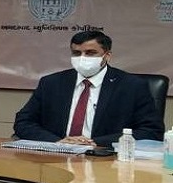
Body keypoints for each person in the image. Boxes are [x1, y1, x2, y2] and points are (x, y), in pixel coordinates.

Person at [14, 31, 164, 147]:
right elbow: (24, 122)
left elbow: (151, 131)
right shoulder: (51, 83)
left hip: (105, 157)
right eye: (77, 53)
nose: (82, 58)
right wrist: (57, 141)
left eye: (90, 53)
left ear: (107, 56)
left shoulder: (132, 86)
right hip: (57, 152)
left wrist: (94, 143)